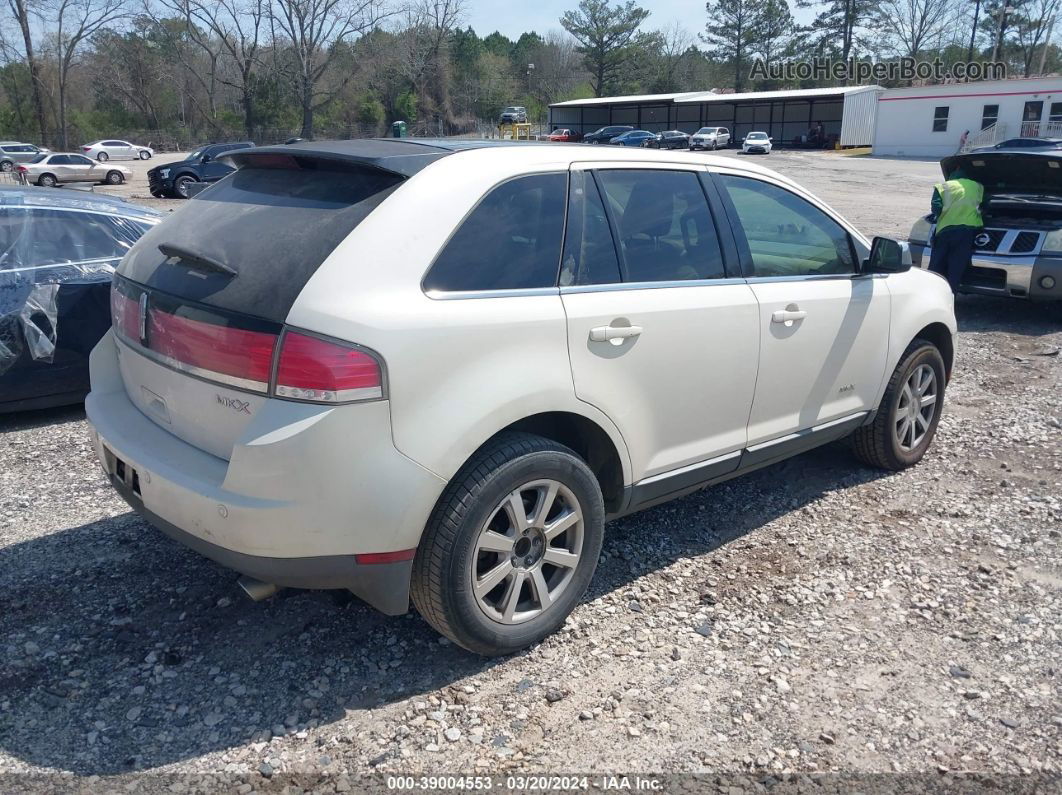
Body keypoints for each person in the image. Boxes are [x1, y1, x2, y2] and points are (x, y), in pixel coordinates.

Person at [928, 166, 984, 292]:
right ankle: (951, 295)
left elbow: (936, 207)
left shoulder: (943, 186)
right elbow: (983, 205)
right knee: (956, 266)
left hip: (945, 231)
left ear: (951, 176)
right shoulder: (977, 186)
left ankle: (933, 293)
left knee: (937, 264)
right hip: (967, 232)